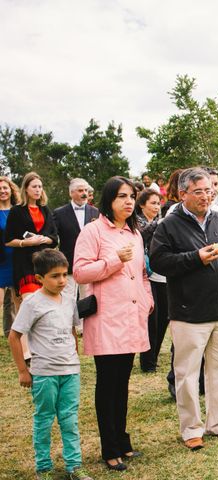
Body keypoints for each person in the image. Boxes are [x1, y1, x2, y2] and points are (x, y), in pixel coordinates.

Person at [150, 167, 218, 451]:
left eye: (209, 191)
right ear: (183, 194)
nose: (206, 196)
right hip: (188, 312)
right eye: (200, 191)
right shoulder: (169, 225)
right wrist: (195, 258)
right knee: (188, 373)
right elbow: (159, 262)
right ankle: (191, 428)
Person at [73, 176, 153, 471]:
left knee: (123, 381)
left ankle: (122, 440)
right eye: (122, 196)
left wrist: (147, 299)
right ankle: (110, 447)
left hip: (132, 317)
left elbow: (143, 272)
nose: (129, 201)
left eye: (132, 196)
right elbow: (80, 272)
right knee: (108, 383)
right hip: (107, 319)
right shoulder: (93, 231)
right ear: (109, 200)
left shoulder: (135, 233)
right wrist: (113, 261)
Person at [8, 249, 93, 480]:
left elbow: (71, 331)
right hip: (44, 373)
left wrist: (73, 357)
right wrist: (23, 371)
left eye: (65, 274)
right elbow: (14, 336)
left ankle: (74, 466)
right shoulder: (32, 303)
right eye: (55, 276)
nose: (62, 280)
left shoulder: (68, 300)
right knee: (44, 419)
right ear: (39, 278)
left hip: (70, 371)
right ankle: (43, 468)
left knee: (70, 418)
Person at [4, 172, 59, 302]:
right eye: (34, 186)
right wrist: (25, 243)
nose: (38, 190)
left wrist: (45, 239)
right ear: (26, 189)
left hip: (44, 264)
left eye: (40, 186)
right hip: (24, 264)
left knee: (45, 305)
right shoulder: (16, 211)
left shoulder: (45, 209)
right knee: (30, 303)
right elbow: (8, 240)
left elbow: (54, 236)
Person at [53, 178, 99, 306]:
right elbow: (53, 236)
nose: (84, 193)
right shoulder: (59, 213)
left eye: (85, 190)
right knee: (67, 299)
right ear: (71, 193)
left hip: (89, 262)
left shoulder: (95, 212)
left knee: (87, 299)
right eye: (80, 190)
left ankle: (84, 326)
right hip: (68, 262)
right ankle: (68, 326)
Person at [135, 188, 167, 373]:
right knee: (151, 319)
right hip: (144, 276)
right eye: (153, 203)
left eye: (158, 203)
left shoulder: (157, 222)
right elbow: (143, 235)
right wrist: (161, 224)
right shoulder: (136, 223)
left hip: (161, 274)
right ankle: (147, 361)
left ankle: (153, 356)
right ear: (142, 205)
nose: (156, 207)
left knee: (164, 317)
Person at [0, 176, 20, 337]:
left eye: (5, 188)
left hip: (16, 259)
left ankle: (17, 333)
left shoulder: (18, 210)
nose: (2, 191)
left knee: (17, 300)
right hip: (1, 262)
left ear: (11, 190)